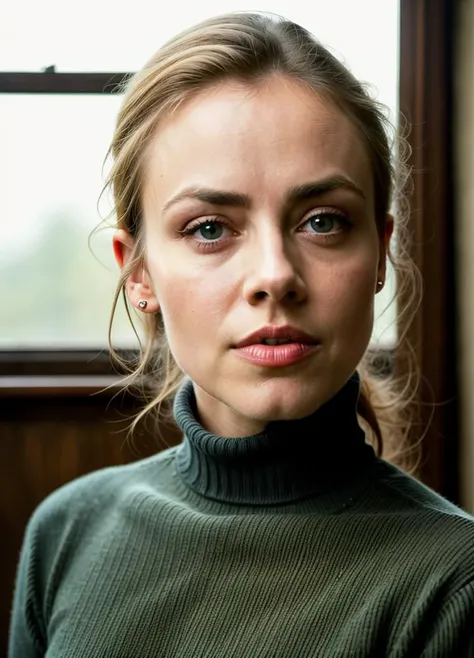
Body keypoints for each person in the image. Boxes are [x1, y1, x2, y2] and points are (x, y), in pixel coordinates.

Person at [9, 11, 474, 658]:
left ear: (381, 255)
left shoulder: (454, 587)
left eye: (322, 221)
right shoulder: (68, 532)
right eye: (208, 229)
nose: (275, 276)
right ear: (138, 273)